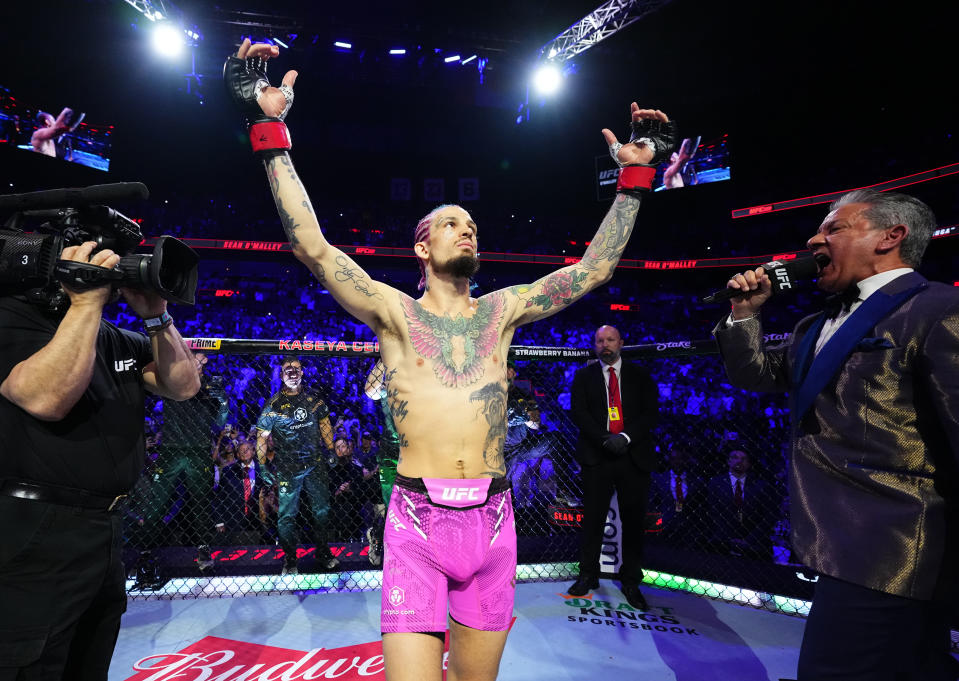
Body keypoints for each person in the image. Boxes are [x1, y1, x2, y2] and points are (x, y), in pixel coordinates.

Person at [224, 38, 674, 681]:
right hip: (414, 522)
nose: (468, 229)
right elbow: (314, 248)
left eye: (471, 225)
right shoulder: (393, 314)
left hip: (493, 522)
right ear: (421, 248)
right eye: (451, 223)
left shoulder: (504, 309)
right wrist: (270, 130)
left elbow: (594, 269)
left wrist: (633, 179)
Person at [713, 188, 959, 680]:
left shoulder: (937, 308)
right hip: (835, 542)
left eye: (834, 228)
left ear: (891, 237)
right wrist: (744, 314)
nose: (814, 238)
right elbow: (756, 374)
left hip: (892, 550)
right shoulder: (815, 324)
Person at [0, 241, 199, 678]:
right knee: (30, 663)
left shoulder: (110, 337)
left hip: (104, 528)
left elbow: (182, 384)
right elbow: (45, 397)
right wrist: (86, 302)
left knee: (89, 659)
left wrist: (156, 315)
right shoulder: (12, 317)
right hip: (32, 529)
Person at [567, 325, 659, 610]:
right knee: (593, 519)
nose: (605, 344)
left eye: (610, 339)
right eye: (599, 340)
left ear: (621, 342)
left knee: (633, 521)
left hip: (633, 456)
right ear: (594, 345)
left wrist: (625, 438)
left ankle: (631, 580)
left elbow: (650, 413)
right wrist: (604, 440)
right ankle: (587, 574)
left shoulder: (640, 376)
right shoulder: (583, 377)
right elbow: (578, 413)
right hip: (598, 455)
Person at [132, 351, 230, 573]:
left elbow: (219, 423)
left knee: (201, 503)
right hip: (171, 449)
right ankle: (146, 552)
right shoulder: (172, 380)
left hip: (199, 449)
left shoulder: (210, 387)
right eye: (190, 355)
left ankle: (203, 549)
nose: (194, 359)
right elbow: (148, 381)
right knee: (157, 502)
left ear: (204, 361)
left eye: (198, 356)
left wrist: (223, 401)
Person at [255, 357, 337, 575]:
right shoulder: (273, 405)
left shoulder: (314, 399)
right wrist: (262, 465)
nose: (292, 372)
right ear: (281, 375)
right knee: (287, 515)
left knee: (322, 510)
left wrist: (330, 449)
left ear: (302, 372)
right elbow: (262, 436)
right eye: (287, 369)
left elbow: (325, 423)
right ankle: (290, 559)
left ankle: (323, 552)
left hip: (315, 463)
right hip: (288, 467)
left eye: (296, 369)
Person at [703, 448, 776, 560]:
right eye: (735, 457)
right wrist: (728, 538)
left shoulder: (761, 486)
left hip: (753, 544)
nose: (739, 461)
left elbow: (768, 516)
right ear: (728, 461)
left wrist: (749, 540)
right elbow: (712, 512)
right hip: (722, 541)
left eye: (744, 459)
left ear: (749, 464)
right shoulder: (715, 483)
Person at [363, 359, 400, 567]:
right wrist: (385, 356)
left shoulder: (420, 379)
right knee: (392, 505)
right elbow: (370, 391)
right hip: (391, 452)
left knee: (418, 503)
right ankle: (379, 538)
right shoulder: (388, 384)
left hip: (419, 450)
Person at [649, 444, 703, 546]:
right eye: (674, 459)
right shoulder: (659, 479)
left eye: (681, 459)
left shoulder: (697, 481)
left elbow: (700, 508)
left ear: (687, 460)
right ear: (669, 460)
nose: (678, 462)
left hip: (689, 532)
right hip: (662, 529)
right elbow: (652, 503)